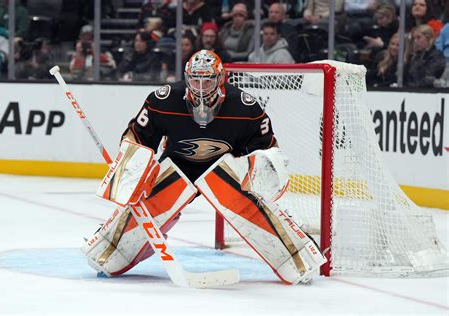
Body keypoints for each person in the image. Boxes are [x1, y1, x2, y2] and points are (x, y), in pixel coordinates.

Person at [81, 49, 326, 285]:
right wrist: (130, 164)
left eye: (207, 81)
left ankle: (297, 254)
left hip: (224, 173)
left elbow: (267, 152)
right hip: (177, 168)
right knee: (136, 220)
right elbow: (136, 137)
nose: (199, 88)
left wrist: (260, 182)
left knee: (250, 205)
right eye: (194, 80)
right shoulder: (163, 100)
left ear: (221, 78)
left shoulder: (245, 107)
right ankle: (110, 247)